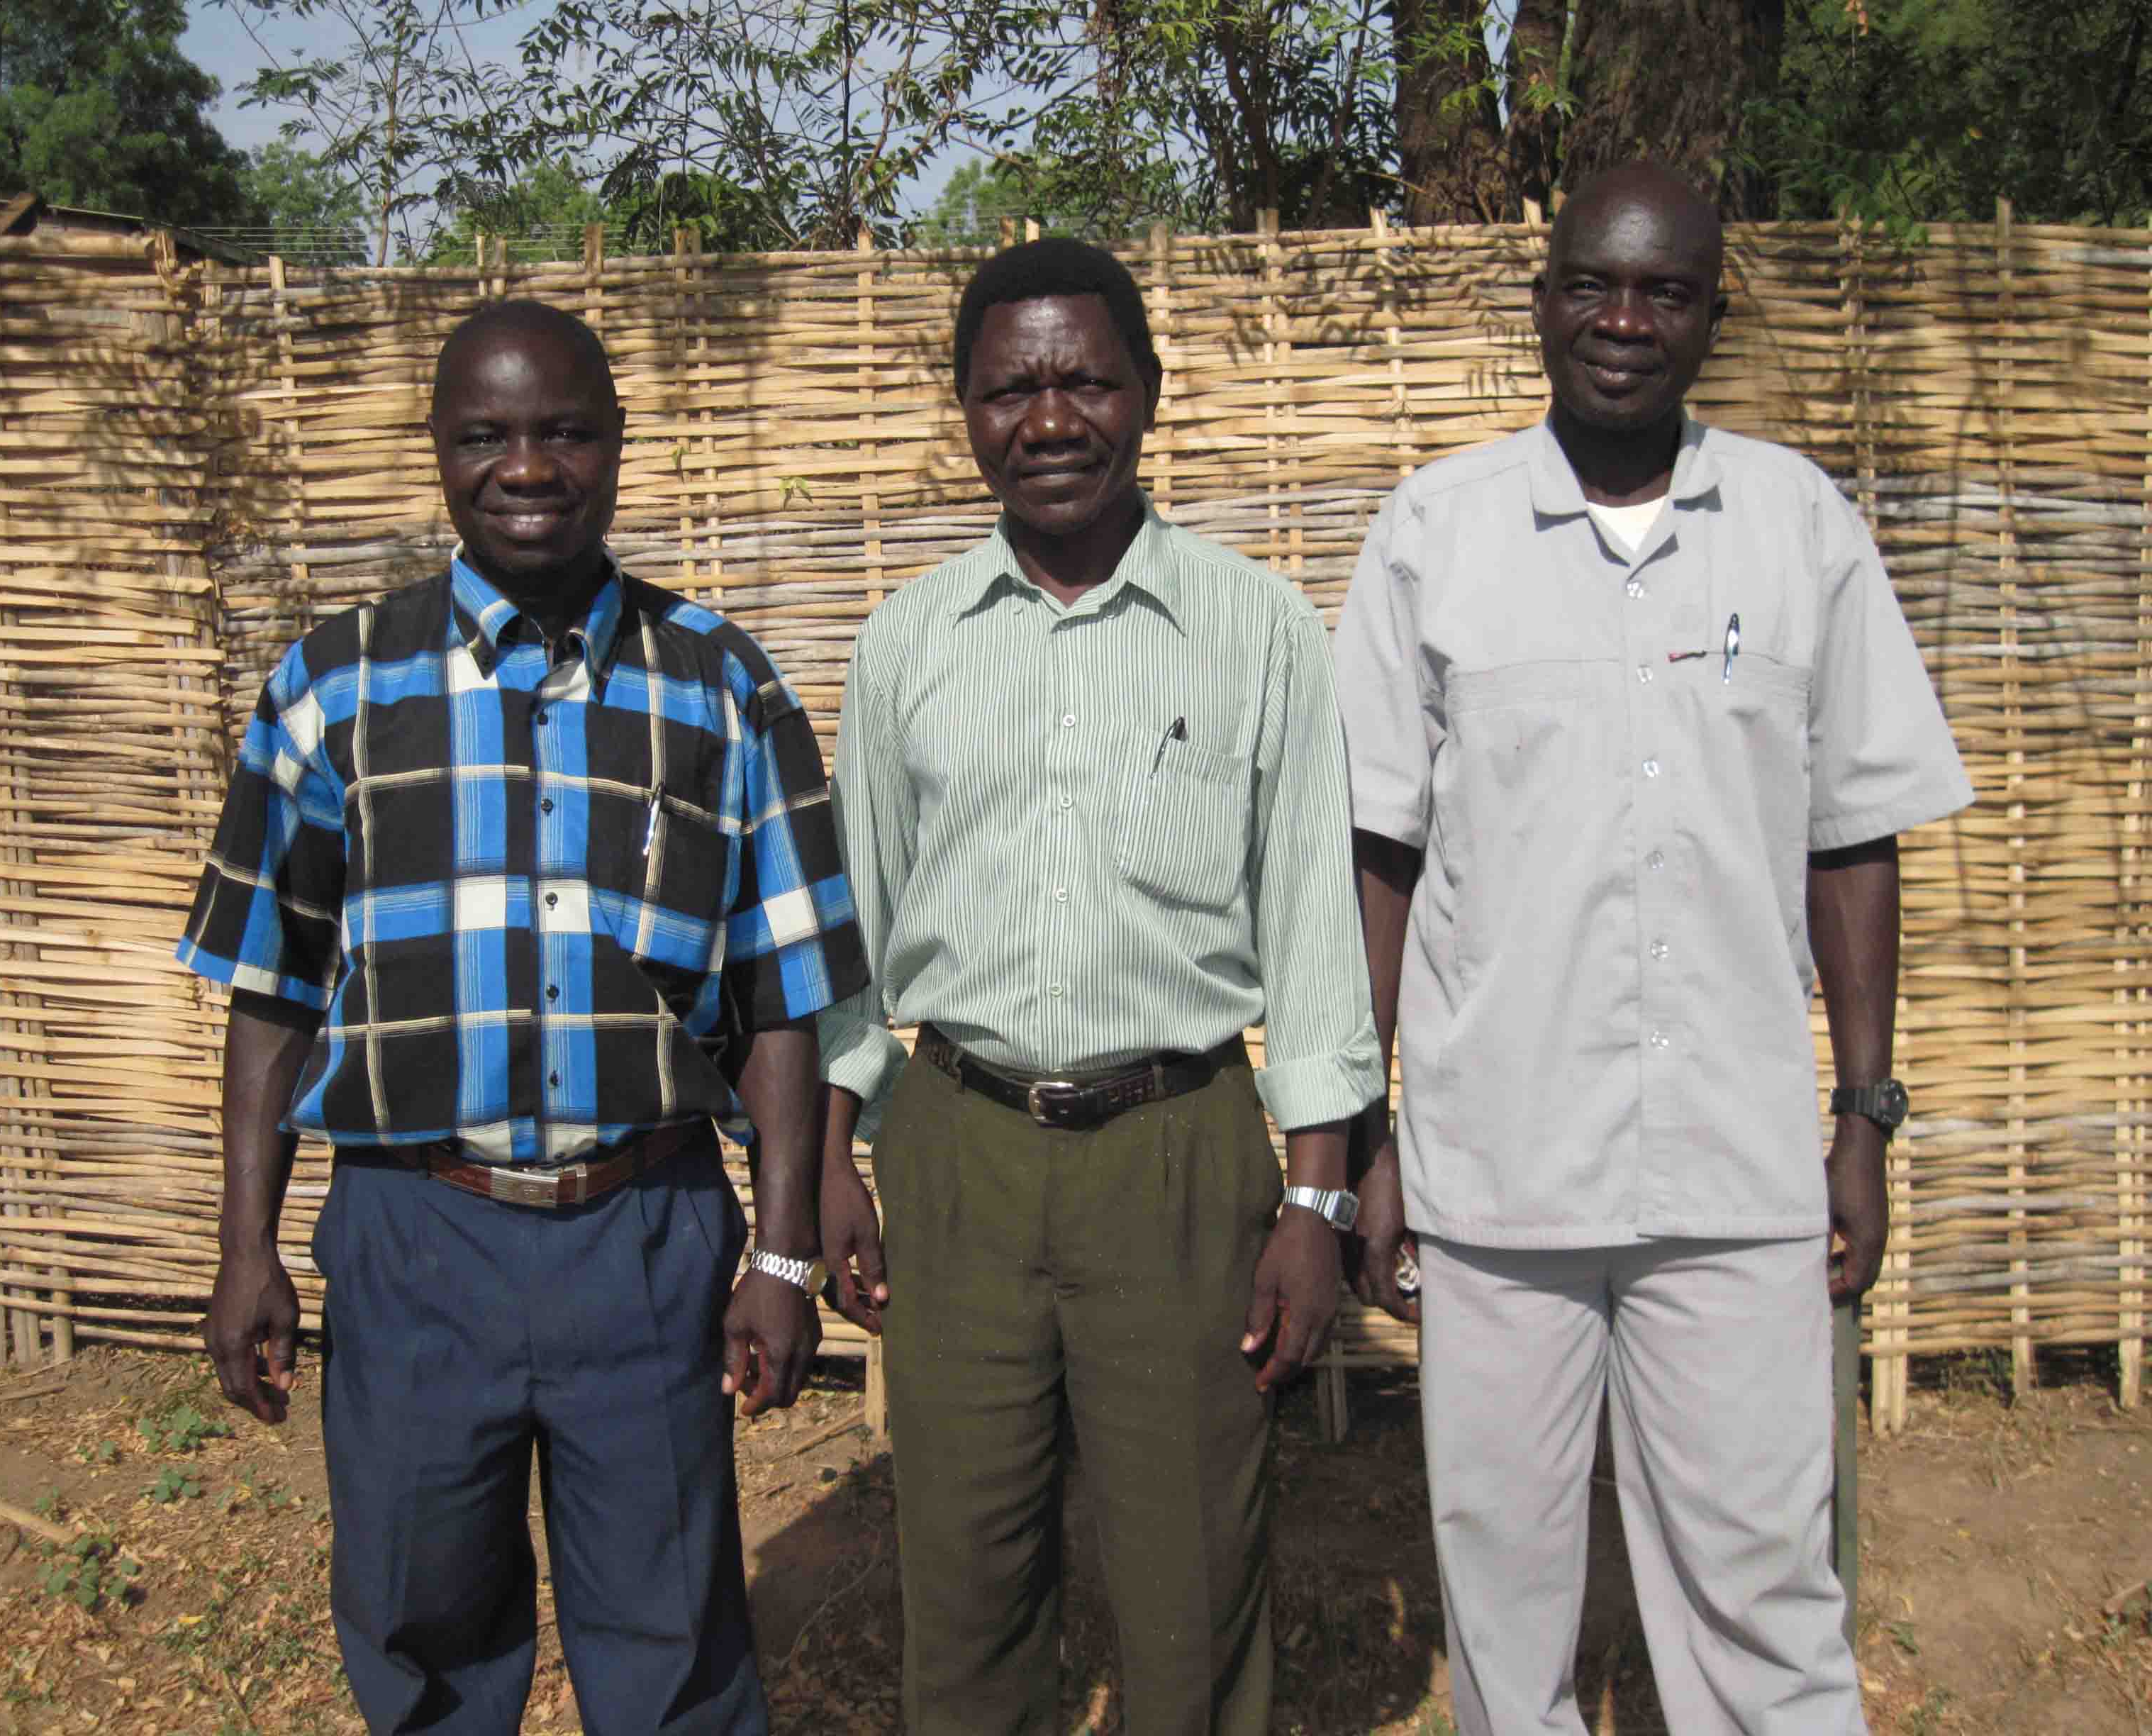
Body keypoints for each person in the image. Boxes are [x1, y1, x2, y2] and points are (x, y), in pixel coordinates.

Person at [1334, 162, 1975, 1734]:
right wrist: (1366, 1130)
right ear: (1545, 303)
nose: (1625, 321)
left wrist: (1864, 1117)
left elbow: (1852, 837)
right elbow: (1378, 858)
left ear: (1709, 317)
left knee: (1768, 1596)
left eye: (1665, 293)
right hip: (1499, 1176)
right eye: (1595, 288)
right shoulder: (1437, 532)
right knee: (1505, 1604)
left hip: (1735, 1176)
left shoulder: (1797, 524)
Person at [177, 298, 867, 1736]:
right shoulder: (332, 684)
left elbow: (783, 1001)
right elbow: (272, 987)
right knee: (423, 1629)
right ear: (440, 451)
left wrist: (784, 1255)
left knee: (673, 1640)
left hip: (648, 1233)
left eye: (563, 431)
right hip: (414, 1239)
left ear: (617, 446)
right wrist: (244, 1246)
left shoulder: (721, 687)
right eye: (487, 435)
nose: (528, 466)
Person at [814, 237, 1386, 1736]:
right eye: (1011, 388)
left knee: (1194, 1586)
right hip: (960, 1154)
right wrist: (831, 1168)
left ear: (1148, 394)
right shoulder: (906, 649)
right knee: (965, 1578)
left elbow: (1319, 941)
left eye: (1085, 381)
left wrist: (1315, 1207)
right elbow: (855, 941)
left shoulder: (1259, 634)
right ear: (966, 409)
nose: (1050, 418)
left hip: (1178, 1153)